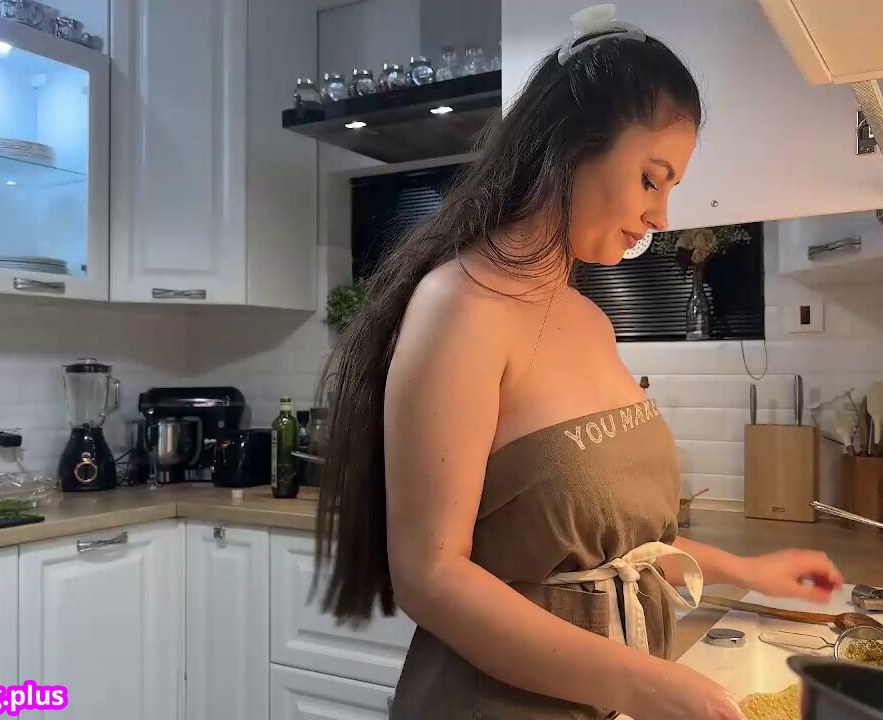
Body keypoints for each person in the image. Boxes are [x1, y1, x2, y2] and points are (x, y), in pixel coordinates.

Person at [313, 6, 844, 719]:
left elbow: (614, 546)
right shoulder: (459, 307)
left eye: (671, 188)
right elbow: (429, 576)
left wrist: (747, 571)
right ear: (571, 148)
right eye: (652, 179)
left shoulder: (590, 321)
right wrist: (641, 684)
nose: (661, 216)